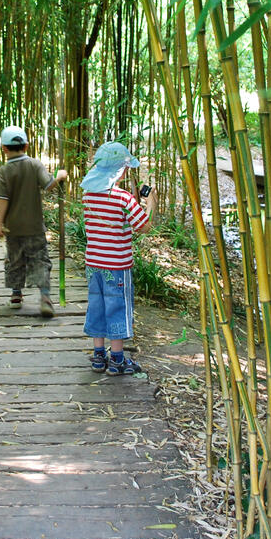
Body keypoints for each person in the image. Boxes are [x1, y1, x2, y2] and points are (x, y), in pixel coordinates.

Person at [80, 141, 156, 375]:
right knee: (117, 308)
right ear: (121, 171)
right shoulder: (124, 199)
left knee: (97, 306)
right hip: (117, 267)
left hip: (94, 264)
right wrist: (151, 201)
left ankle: (99, 357)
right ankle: (118, 360)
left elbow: (106, 221)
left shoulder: (87, 195)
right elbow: (144, 227)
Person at [0, 125, 68, 318]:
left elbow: (2, 200)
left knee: (15, 260)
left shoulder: (3, 171)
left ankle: (16, 296)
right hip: (34, 227)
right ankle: (45, 297)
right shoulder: (34, 165)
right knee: (40, 260)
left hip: (13, 228)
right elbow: (49, 185)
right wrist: (59, 176)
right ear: (26, 146)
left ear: (4, 148)